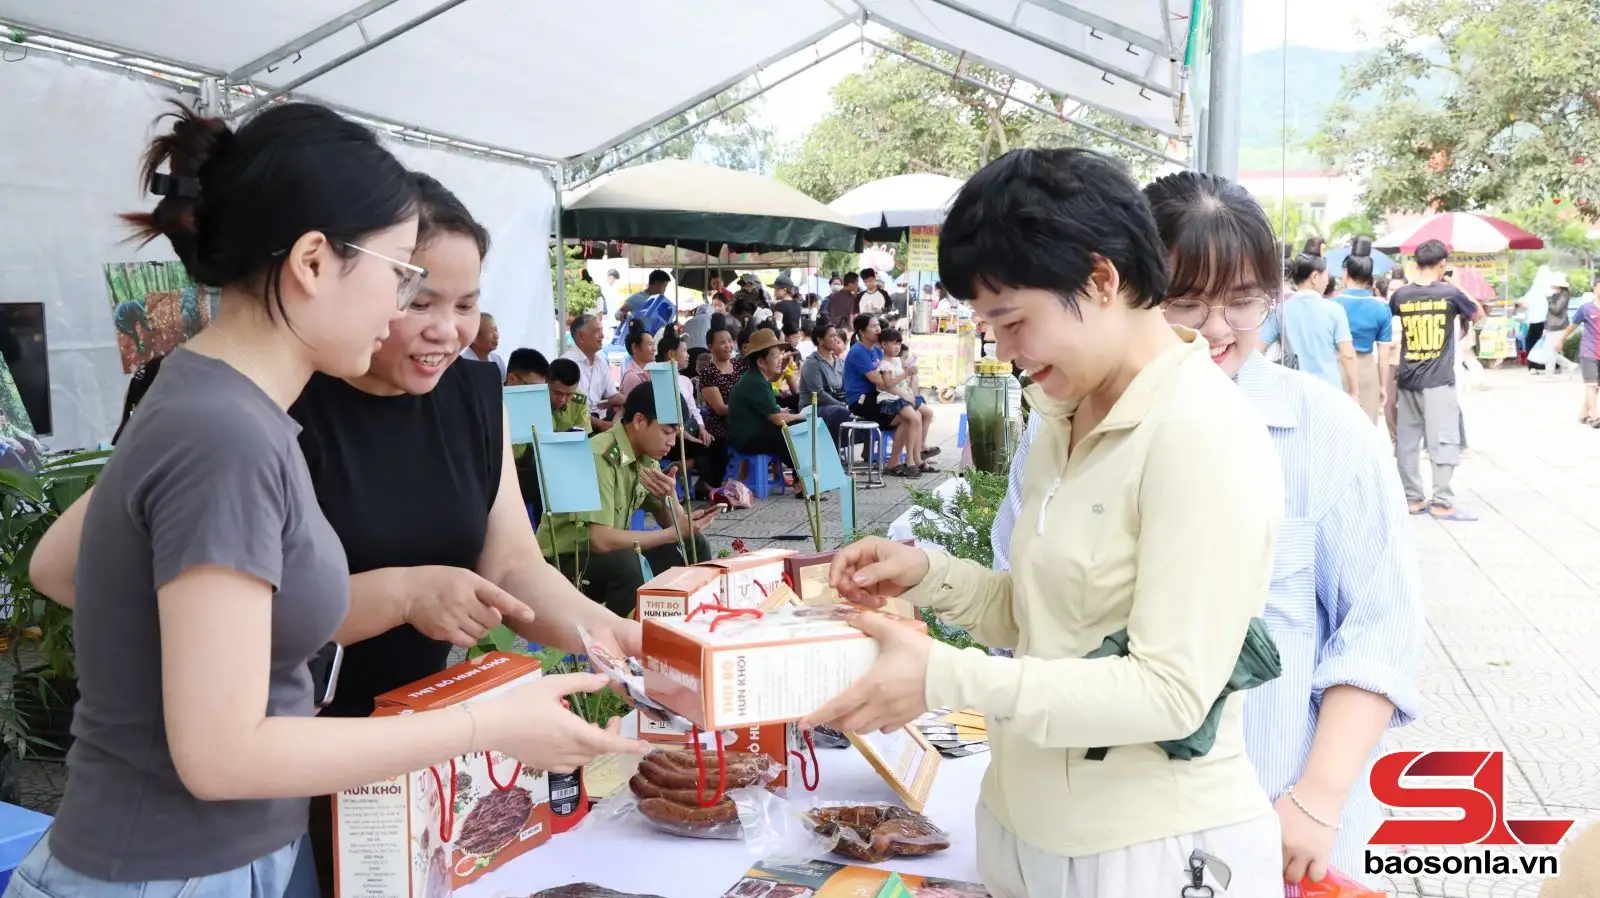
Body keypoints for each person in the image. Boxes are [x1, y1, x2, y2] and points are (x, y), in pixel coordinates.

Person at [17, 103, 645, 898]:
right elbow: (222, 753)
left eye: (457, 300)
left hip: (237, 852)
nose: (407, 313)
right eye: (402, 280)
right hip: (178, 866)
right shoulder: (228, 431)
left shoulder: (239, 410)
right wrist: (486, 723)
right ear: (314, 262)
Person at [805, 147, 1286, 898]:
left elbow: (1168, 692)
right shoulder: (1064, 414)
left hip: (1147, 854)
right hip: (1021, 831)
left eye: (1014, 320)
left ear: (1101, 279)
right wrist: (929, 576)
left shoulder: (1200, 431)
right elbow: (1046, 621)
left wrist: (944, 677)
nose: (1005, 350)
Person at [1141, 171, 1420, 888]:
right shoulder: (1072, 430)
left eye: (1242, 302)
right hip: (1123, 827)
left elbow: (1379, 631)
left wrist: (1317, 799)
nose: (1215, 329)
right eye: (1187, 302)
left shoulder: (1326, 432)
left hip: (1280, 820)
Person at [536, 384, 718, 615]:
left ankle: (686, 622)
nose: (672, 442)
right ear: (640, 421)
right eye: (666, 431)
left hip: (605, 556)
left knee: (694, 543)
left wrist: (670, 497)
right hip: (564, 561)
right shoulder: (599, 456)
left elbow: (676, 527)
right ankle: (623, 645)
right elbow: (599, 540)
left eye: (676, 434)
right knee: (627, 564)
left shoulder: (645, 456)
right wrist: (670, 534)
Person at [1390, 238, 1483, 520]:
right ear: (1443, 264)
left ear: (1416, 263)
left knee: (1407, 442)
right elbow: (1478, 314)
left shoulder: (1401, 296)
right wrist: (1458, 285)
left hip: (1406, 378)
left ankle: (1412, 499)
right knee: (1443, 439)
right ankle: (1442, 501)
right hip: (1438, 380)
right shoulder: (1450, 294)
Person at [727, 328, 813, 498]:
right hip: (746, 438)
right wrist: (802, 416)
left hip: (751, 432)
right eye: (775, 356)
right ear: (761, 362)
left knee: (791, 429)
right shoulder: (756, 382)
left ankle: (802, 480)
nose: (779, 359)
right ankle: (802, 481)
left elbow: (772, 405)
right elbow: (776, 419)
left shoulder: (756, 378)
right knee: (793, 430)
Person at [1261, 254, 1359, 400]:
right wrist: (1354, 390)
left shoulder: (1280, 311)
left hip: (1293, 392)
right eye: (1326, 274)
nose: (1328, 280)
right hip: (1329, 392)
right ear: (1314, 277)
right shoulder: (1334, 310)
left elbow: (1257, 349)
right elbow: (1347, 355)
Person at [845, 314, 933, 477]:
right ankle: (903, 460)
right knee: (908, 415)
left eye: (878, 325)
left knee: (916, 414)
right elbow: (881, 382)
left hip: (882, 395)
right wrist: (904, 394)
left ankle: (908, 458)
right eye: (873, 326)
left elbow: (892, 376)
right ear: (862, 332)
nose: (878, 329)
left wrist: (907, 385)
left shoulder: (878, 349)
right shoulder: (858, 352)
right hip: (862, 399)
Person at [1333, 238, 1393, 422]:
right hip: (1367, 370)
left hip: (1337, 367)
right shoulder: (1382, 308)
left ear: (1346, 273)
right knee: (1366, 428)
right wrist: (1383, 385)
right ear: (1369, 276)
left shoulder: (1332, 305)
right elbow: (1384, 353)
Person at [695, 318, 741, 490]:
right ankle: (709, 484)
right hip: (721, 425)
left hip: (743, 420)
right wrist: (746, 409)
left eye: (730, 341)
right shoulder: (709, 373)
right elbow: (720, 409)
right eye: (722, 342)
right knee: (719, 448)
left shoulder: (739, 366)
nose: (728, 345)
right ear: (710, 347)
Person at [563, 313, 622, 428]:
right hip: (577, 424)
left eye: (601, 331)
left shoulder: (601, 361)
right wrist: (602, 425)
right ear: (581, 337)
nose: (602, 335)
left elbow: (613, 396)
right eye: (597, 332)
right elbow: (570, 408)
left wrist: (632, 401)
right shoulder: (567, 363)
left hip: (600, 419)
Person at [799, 321, 853, 442]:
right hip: (813, 408)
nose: (836, 339)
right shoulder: (812, 363)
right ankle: (833, 452)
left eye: (836, 335)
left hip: (835, 405)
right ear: (820, 340)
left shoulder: (838, 362)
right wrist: (841, 405)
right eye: (831, 336)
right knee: (840, 412)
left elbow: (845, 387)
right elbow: (818, 394)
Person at [1572, 291, 1600, 425]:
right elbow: (1573, 325)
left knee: (1596, 386)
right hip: (1589, 351)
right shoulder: (1586, 308)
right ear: (1594, 290)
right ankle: (1595, 417)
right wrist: (1561, 339)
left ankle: (1583, 413)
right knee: (1592, 384)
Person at [1541, 273, 1577, 376]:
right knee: (1550, 350)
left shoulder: (1563, 295)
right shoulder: (1555, 295)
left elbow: (1556, 309)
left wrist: (1548, 300)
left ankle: (1550, 374)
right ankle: (1569, 365)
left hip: (1559, 326)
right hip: (1553, 326)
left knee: (1550, 351)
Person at [461, 311, 506, 380]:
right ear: (474, 338)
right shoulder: (462, 364)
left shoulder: (497, 360)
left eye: (496, 330)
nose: (496, 335)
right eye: (491, 331)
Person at [617, 320, 656, 396]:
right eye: (650, 344)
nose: (654, 349)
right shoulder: (632, 377)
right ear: (635, 347)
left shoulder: (653, 370)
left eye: (653, 344)